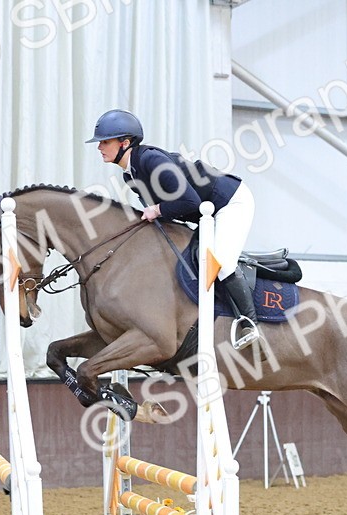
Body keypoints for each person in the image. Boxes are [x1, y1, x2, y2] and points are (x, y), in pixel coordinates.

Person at [86, 109, 261, 350]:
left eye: (105, 142)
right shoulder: (131, 175)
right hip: (207, 214)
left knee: (220, 263)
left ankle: (250, 324)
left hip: (230, 202)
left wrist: (156, 209)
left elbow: (189, 203)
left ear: (125, 143)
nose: (100, 148)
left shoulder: (151, 160)